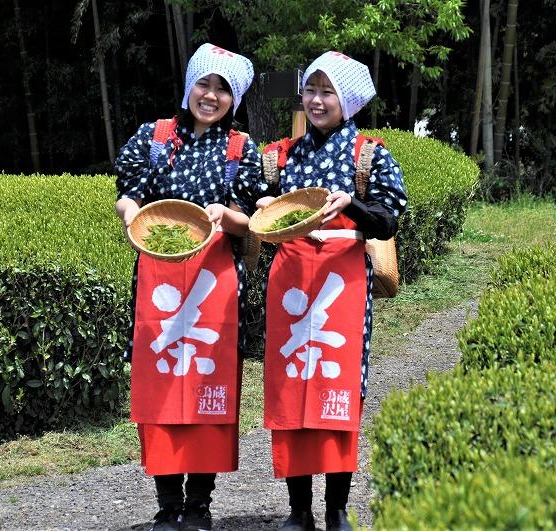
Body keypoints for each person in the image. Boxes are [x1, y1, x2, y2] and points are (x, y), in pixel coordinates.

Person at [243, 51, 408, 531]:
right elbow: (249, 202)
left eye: (327, 92)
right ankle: (299, 510)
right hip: (291, 280)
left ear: (348, 100)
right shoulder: (279, 156)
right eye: (311, 91)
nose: (316, 101)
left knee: (339, 391)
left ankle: (336, 509)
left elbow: (388, 220)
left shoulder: (368, 155)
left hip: (343, 283)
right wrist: (262, 203)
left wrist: (350, 204)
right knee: (291, 389)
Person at [114, 43, 260, 531]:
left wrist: (225, 216)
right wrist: (131, 215)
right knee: (159, 391)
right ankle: (166, 504)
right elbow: (128, 196)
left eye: (223, 89)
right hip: (158, 280)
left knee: (207, 392)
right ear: (188, 85)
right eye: (204, 83)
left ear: (234, 100)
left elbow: (250, 219)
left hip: (214, 284)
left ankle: (198, 504)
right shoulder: (153, 137)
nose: (211, 96)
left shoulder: (240, 149)